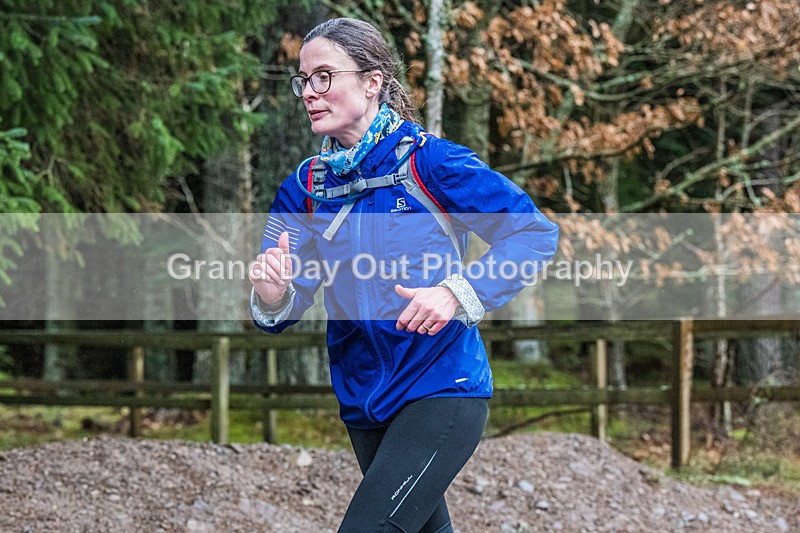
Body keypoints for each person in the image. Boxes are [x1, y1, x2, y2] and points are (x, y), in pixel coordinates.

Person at [249, 17, 558, 533]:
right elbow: (283, 306)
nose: (309, 92)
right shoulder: (303, 188)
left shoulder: (431, 164)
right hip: (362, 398)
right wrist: (272, 293)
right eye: (303, 79)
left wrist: (457, 294)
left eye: (324, 76)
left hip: (441, 388)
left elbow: (534, 235)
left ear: (372, 82)